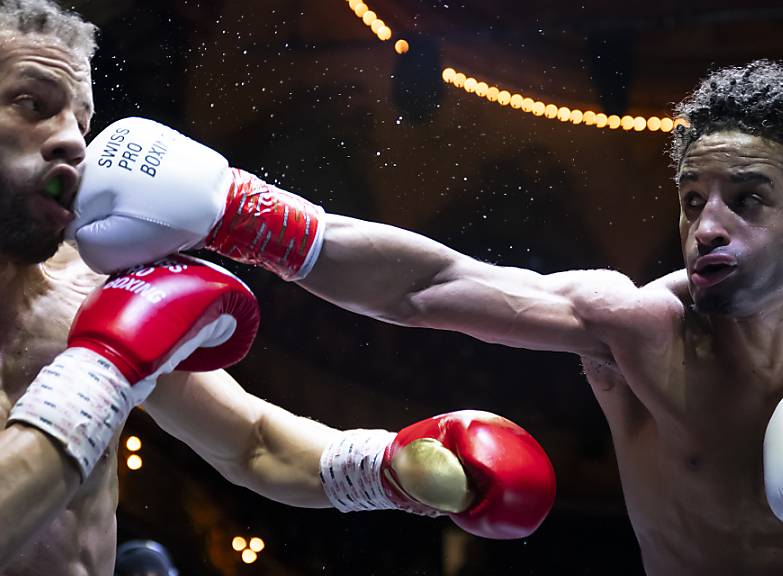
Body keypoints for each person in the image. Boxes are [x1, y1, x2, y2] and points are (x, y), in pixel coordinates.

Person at [68, 59, 783, 574]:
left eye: (749, 198)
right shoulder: (637, 327)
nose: (709, 224)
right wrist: (250, 216)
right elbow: (427, 285)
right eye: (693, 198)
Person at [0, 2, 557, 575]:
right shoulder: (103, 341)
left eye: (81, 121)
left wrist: (384, 468)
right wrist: (102, 371)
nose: (72, 141)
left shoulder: (91, 294)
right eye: (33, 104)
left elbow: (252, 443)